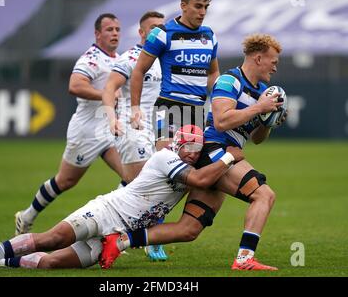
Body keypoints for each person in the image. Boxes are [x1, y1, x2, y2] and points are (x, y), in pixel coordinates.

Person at [100, 33, 287, 271]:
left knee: (189, 229)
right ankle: (244, 259)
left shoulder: (261, 90)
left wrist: (267, 121)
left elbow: (258, 140)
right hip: (214, 149)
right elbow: (220, 121)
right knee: (264, 195)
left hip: (227, 155)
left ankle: (120, 241)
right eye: (273, 61)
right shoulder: (230, 81)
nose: (275, 66)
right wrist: (260, 108)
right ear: (258, 58)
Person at [0, 125, 244, 272]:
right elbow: (199, 181)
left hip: (118, 234)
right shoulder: (166, 157)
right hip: (106, 212)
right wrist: (231, 157)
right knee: (53, 238)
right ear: (178, 145)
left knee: (51, 263)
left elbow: (205, 182)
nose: (194, 154)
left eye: (198, 150)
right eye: (190, 148)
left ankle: (4, 262)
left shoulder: (190, 165)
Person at [14, 13, 125, 236]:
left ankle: (115, 231)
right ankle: (26, 216)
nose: (114, 33)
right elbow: (75, 85)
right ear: (97, 34)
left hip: (110, 130)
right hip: (87, 132)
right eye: (109, 29)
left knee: (132, 177)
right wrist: (105, 94)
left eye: (117, 29)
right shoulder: (90, 59)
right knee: (65, 181)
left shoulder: (118, 58)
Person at [102, 11, 168, 260]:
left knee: (138, 186)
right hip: (135, 127)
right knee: (148, 185)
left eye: (161, 27)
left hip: (160, 129)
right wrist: (112, 118)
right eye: (152, 28)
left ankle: (106, 226)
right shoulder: (131, 57)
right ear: (141, 33)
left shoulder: (166, 58)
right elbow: (109, 87)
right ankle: (151, 238)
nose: (158, 31)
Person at [130, 0, 220, 151]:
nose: (202, 12)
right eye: (198, 6)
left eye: (206, 7)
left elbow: (213, 73)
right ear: (183, 6)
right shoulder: (162, 33)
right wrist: (135, 108)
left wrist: (218, 102)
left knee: (189, 166)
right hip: (170, 106)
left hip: (198, 109)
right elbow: (139, 70)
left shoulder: (209, 36)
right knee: (168, 162)